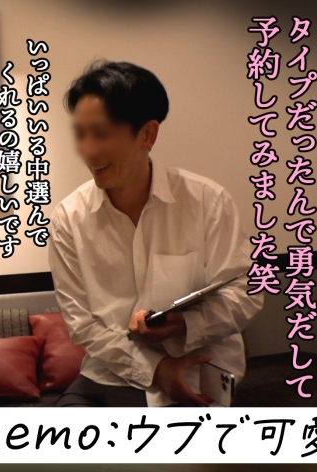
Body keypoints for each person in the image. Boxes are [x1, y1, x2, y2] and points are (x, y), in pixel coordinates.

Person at [48, 61, 263, 408]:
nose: (88, 150)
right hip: (111, 376)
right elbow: (83, 325)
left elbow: (246, 294)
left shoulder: (208, 202)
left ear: (148, 134)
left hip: (198, 372)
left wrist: (186, 324)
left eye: (100, 134)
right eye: (80, 133)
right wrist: (158, 369)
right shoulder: (68, 219)